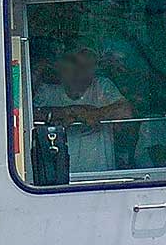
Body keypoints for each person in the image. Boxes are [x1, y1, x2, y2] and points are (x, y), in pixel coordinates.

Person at [34, 46, 132, 175]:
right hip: (59, 178)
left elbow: (126, 111)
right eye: (75, 63)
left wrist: (92, 114)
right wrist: (69, 112)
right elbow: (28, 116)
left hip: (101, 177)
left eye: (88, 65)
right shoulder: (48, 90)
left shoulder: (102, 86)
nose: (81, 70)